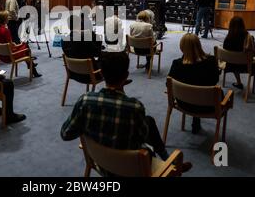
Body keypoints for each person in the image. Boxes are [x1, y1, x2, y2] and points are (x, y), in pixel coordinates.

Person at [61, 51, 192, 174]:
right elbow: (141, 138)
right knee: (148, 123)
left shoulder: (85, 101)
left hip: (99, 163)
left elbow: (66, 134)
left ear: (101, 74)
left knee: (149, 121)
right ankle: (168, 159)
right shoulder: (134, 107)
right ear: (126, 76)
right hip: (131, 170)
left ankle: (167, 158)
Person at [168, 33, 220, 134]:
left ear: (181, 47)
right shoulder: (211, 61)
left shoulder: (176, 64)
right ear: (199, 45)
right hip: (208, 105)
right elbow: (214, 81)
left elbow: (169, 85)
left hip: (183, 103)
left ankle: (195, 120)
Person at [0, 11, 42, 78]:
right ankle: (32, 67)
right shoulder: (5, 31)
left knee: (25, 47)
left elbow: (5, 43)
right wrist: (19, 44)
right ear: (5, 20)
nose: (8, 18)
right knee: (26, 46)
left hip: (1, 55)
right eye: (7, 17)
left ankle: (31, 64)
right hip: (9, 56)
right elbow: (11, 47)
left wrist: (14, 44)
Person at [62, 14, 103, 84]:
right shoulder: (84, 38)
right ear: (80, 24)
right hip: (90, 75)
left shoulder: (64, 40)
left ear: (69, 26)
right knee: (110, 60)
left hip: (73, 73)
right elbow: (97, 53)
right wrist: (93, 35)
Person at [223, 16, 255, 89]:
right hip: (246, 65)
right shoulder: (249, 37)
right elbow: (253, 54)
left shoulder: (228, 38)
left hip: (231, 65)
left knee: (234, 59)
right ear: (243, 25)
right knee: (250, 59)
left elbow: (224, 49)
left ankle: (239, 82)